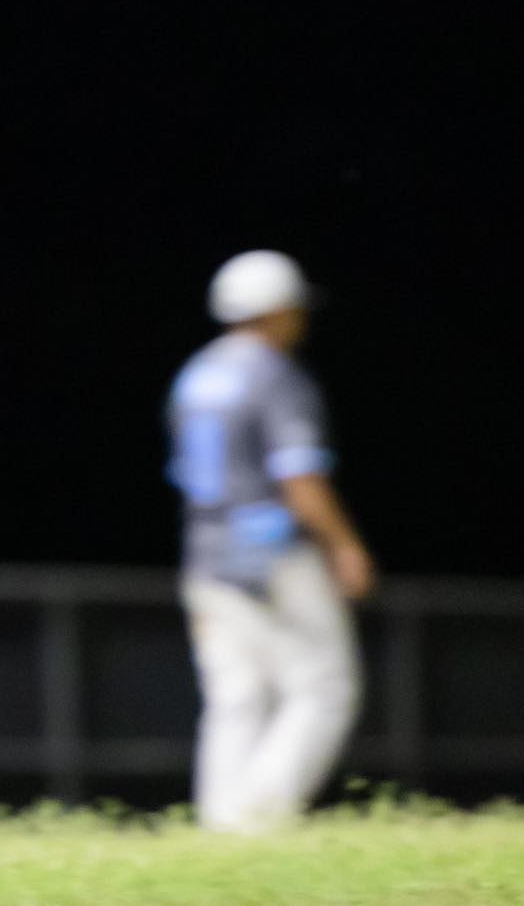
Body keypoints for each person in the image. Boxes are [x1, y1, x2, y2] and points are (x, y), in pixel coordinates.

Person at [167, 249, 375, 833]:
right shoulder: (276, 376)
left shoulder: (196, 376)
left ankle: (220, 826)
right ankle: (258, 819)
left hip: (204, 551)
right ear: (276, 310)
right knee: (326, 685)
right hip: (267, 546)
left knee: (237, 694)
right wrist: (345, 545)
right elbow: (300, 481)